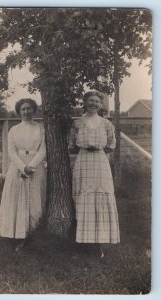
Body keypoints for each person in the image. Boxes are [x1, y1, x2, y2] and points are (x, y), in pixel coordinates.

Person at [69, 91, 120, 257]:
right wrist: (84, 149)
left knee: (100, 198)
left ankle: (98, 242)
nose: (93, 104)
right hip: (83, 161)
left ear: (101, 105)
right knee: (83, 198)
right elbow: (71, 144)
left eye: (97, 101)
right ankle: (82, 241)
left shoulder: (106, 124)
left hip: (100, 161)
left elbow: (112, 143)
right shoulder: (77, 123)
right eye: (90, 101)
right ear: (85, 102)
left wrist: (99, 151)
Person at [0, 98, 46, 251]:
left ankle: (33, 234)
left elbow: (43, 150)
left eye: (29, 108)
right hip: (17, 167)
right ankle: (16, 234)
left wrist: (31, 166)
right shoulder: (14, 130)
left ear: (34, 110)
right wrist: (23, 168)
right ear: (19, 111)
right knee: (17, 201)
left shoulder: (41, 128)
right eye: (23, 109)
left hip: (36, 166)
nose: (26, 112)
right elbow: (11, 152)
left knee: (34, 200)